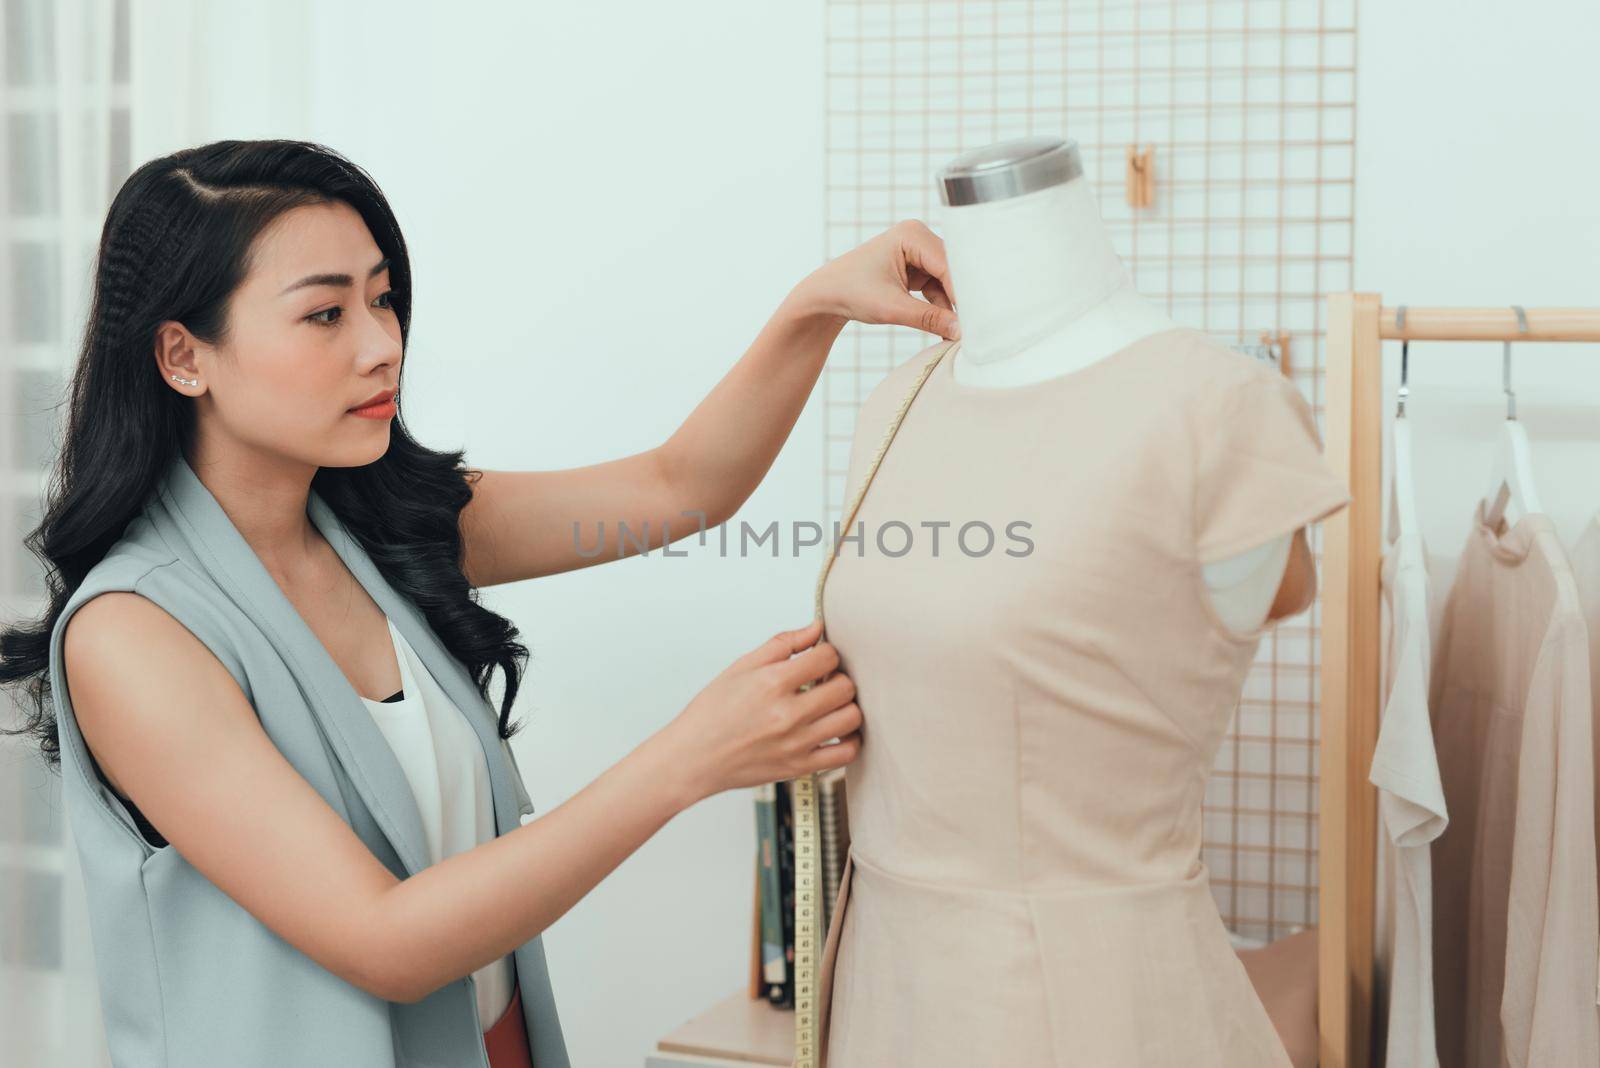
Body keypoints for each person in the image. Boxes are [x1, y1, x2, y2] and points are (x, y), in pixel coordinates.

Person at [0, 138, 960, 1066]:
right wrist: (692, 757)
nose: (384, 346)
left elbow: (680, 489)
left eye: (383, 299)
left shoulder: (385, 528)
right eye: (325, 315)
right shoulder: (131, 633)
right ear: (182, 356)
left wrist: (818, 306)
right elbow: (384, 941)